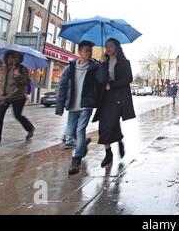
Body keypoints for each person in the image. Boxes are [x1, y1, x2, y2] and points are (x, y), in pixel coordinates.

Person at [55, 41, 99, 175]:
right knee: (70, 132)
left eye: (90, 51)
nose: (89, 53)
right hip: (73, 104)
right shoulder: (71, 67)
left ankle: (77, 159)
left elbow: (102, 81)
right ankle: (83, 142)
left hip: (87, 104)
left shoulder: (95, 67)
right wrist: (60, 106)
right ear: (79, 51)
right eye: (86, 50)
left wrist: (102, 65)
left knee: (80, 130)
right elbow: (62, 86)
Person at [93, 38, 136, 168]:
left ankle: (119, 140)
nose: (108, 49)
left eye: (111, 46)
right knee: (104, 125)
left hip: (119, 97)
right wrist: (101, 64)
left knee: (111, 123)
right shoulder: (104, 62)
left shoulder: (124, 62)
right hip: (105, 97)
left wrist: (112, 85)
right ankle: (108, 153)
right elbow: (100, 79)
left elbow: (129, 78)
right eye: (107, 46)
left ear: (116, 47)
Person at [0, 51, 35, 147]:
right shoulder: (5, 68)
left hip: (18, 97)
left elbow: (27, 81)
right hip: (4, 97)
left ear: (17, 58)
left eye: (13, 57)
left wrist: (18, 75)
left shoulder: (22, 68)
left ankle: (30, 128)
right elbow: (2, 83)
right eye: (9, 57)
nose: (11, 59)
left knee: (18, 115)